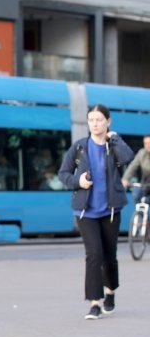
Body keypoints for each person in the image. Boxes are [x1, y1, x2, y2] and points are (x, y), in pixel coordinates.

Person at [58, 104, 133, 321]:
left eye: (99, 120)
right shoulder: (80, 147)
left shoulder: (114, 146)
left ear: (108, 122)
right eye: (91, 120)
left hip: (110, 211)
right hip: (86, 212)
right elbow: (63, 174)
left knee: (110, 257)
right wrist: (77, 181)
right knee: (94, 255)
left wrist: (115, 138)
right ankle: (94, 303)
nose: (95, 124)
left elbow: (127, 157)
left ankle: (110, 292)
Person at [121, 135, 150, 203]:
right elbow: (132, 167)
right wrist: (125, 179)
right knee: (137, 195)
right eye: (146, 143)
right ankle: (138, 213)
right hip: (145, 183)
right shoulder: (141, 153)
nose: (148, 145)